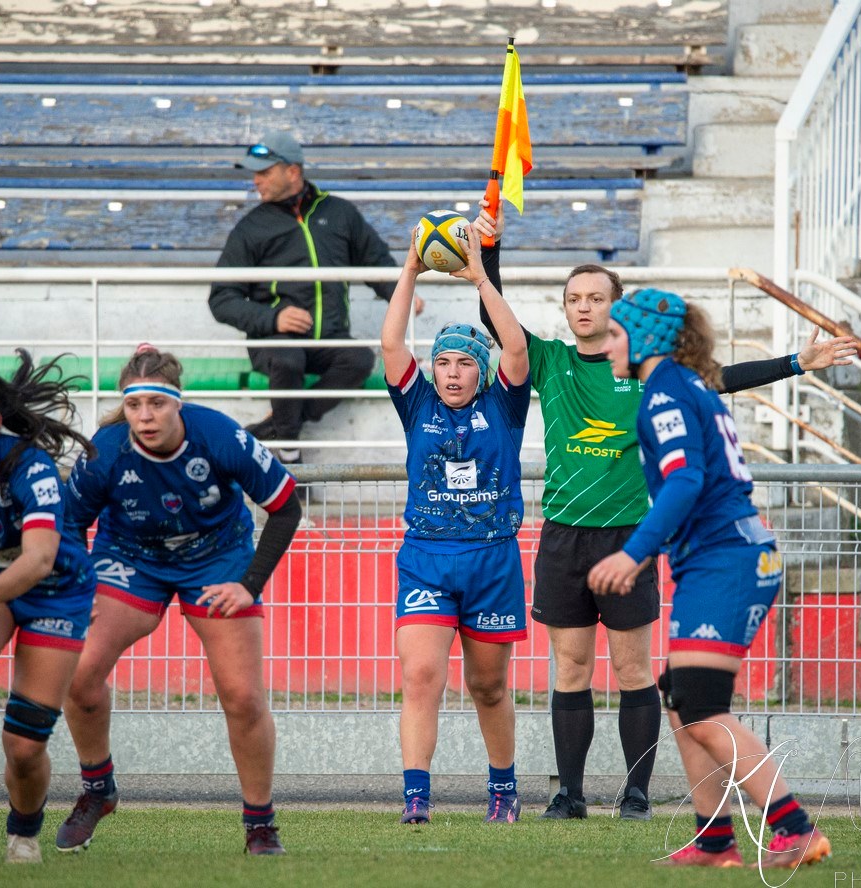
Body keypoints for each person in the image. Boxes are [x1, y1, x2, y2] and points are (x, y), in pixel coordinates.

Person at [476, 204, 857, 821]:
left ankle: (636, 795)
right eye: (574, 297)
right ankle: (569, 795)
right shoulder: (551, 361)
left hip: (633, 534)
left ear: (617, 309)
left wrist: (795, 363)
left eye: (596, 298)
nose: (583, 307)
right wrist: (484, 260)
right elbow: (500, 330)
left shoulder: (658, 379)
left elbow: (719, 378)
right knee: (569, 667)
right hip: (565, 535)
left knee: (635, 670)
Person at [589, 289, 831, 868]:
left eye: (616, 333)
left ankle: (795, 828)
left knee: (699, 706)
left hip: (726, 558)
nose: (606, 344)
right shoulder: (689, 384)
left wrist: (635, 553)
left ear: (646, 338)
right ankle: (713, 839)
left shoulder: (665, 393)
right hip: (725, 557)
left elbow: (684, 480)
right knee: (682, 700)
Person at [57, 345, 301, 856]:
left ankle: (260, 824)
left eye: (157, 404)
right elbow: (70, 523)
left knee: (242, 696)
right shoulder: (105, 450)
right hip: (132, 559)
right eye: (134, 405)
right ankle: (98, 789)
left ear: (179, 402)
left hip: (218, 558)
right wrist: (79, 588)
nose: (145, 417)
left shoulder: (219, 434)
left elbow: (286, 507)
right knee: (77, 675)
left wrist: (248, 585)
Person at [382, 215, 531, 825]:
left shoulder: (504, 403)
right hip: (427, 556)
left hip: (493, 558)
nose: (449, 372)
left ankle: (503, 787)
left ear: (479, 370)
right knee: (421, 676)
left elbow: (516, 347)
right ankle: (416, 794)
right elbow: (392, 346)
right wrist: (411, 267)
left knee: (489, 687)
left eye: (462, 364)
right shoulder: (415, 402)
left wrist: (479, 276)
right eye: (442, 362)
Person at [0, 351, 97, 864]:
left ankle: (24, 833)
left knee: (24, 748)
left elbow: (40, 558)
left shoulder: (30, 463)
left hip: (54, 587)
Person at [209, 131, 422, 460]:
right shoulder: (250, 227)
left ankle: (277, 427)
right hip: (275, 340)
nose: (256, 181)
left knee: (360, 360)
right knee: (287, 359)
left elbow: (374, 261)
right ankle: (291, 452)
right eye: (254, 173)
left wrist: (402, 294)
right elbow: (222, 298)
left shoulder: (339, 213)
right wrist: (273, 318)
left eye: (264, 173)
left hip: (330, 337)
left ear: (292, 172)